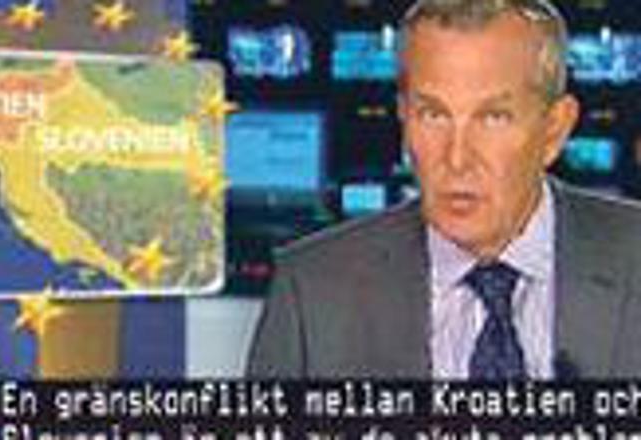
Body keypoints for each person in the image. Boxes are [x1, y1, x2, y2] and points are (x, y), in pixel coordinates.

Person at [247, 0, 641, 380]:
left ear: (554, 130)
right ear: (404, 116)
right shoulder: (312, 292)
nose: (457, 159)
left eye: (493, 118)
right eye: (433, 115)